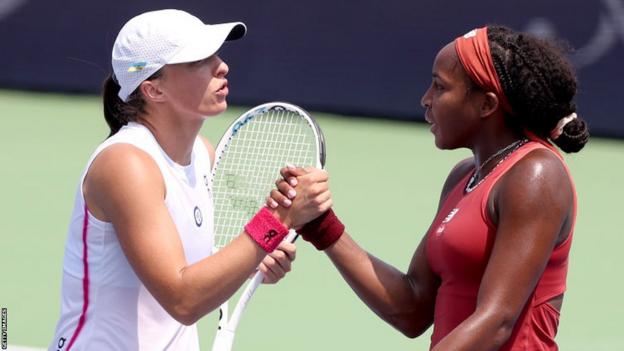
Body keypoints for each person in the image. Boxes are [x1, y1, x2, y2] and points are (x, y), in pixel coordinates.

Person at [270, 25, 589, 350]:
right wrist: (322, 225)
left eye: (440, 87)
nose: (426, 99)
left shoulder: (536, 174)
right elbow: (412, 308)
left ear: (486, 104)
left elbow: (497, 321)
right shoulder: (464, 176)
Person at [48, 9, 331, 351]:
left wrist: (252, 258)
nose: (221, 66)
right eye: (198, 60)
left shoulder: (202, 154)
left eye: (215, 55)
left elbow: (193, 269)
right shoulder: (126, 165)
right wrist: (278, 220)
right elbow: (183, 299)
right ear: (153, 89)